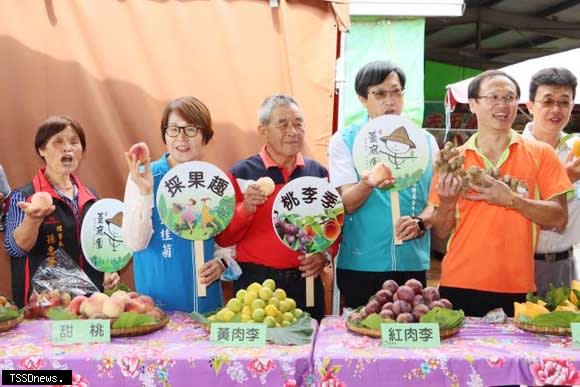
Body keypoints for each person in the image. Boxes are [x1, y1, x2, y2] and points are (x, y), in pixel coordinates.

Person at [429, 70, 572, 317]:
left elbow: (559, 218)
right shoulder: (454, 160)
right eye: (493, 97)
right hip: (458, 282)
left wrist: (512, 200)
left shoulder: (541, 154)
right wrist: (447, 203)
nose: (502, 105)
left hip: (516, 286)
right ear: (472, 104)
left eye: (509, 97)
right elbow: (441, 232)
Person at [328, 61, 439, 308]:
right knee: (361, 337)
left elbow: (437, 201)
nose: (390, 100)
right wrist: (367, 183)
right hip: (362, 263)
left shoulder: (425, 141)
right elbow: (346, 204)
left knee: (407, 326)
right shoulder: (345, 140)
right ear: (362, 99)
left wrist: (422, 222)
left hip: (412, 261)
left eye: (396, 92)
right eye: (379, 93)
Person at [216, 94, 331, 320]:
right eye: (283, 124)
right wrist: (245, 209)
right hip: (254, 286)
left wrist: (323, 255)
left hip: (304, 282)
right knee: (258, 352)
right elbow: (224, 237)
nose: (293, 131)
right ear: (263, 130)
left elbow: (333, 227)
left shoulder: (317, 174)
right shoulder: (242, 174)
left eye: (298, 124)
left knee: (306, 348)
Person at [122, 96, 238, 313]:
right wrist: (146, 192)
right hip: (155, 304)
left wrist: (221, 263)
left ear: (205, 136)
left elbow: (229, 242)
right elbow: (134, 242)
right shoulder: (144, 175)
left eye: (191, 129)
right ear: (164, 134)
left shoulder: (215, 181)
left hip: (206, 304)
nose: (181, 138)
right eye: (174, 129)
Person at [4, 116, 120, 307]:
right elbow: (14, 248)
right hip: (43, 308)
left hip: (88, 307)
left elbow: (100, 247)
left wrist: (107, 270)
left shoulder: (91, 196)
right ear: (41, 149)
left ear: (82, 151)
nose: (68, 148)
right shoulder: (22, 196)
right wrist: (33, 219)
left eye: (74, 142)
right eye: (58, 142)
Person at [522, 67, 580, 296]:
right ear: (530, 106)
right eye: (547, 101)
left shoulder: (576, 150)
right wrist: (567, 180)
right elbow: (515, 205)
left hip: (565, 265)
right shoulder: (512, 149)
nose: (556, 110)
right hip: (519, 264)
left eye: (564, 102)